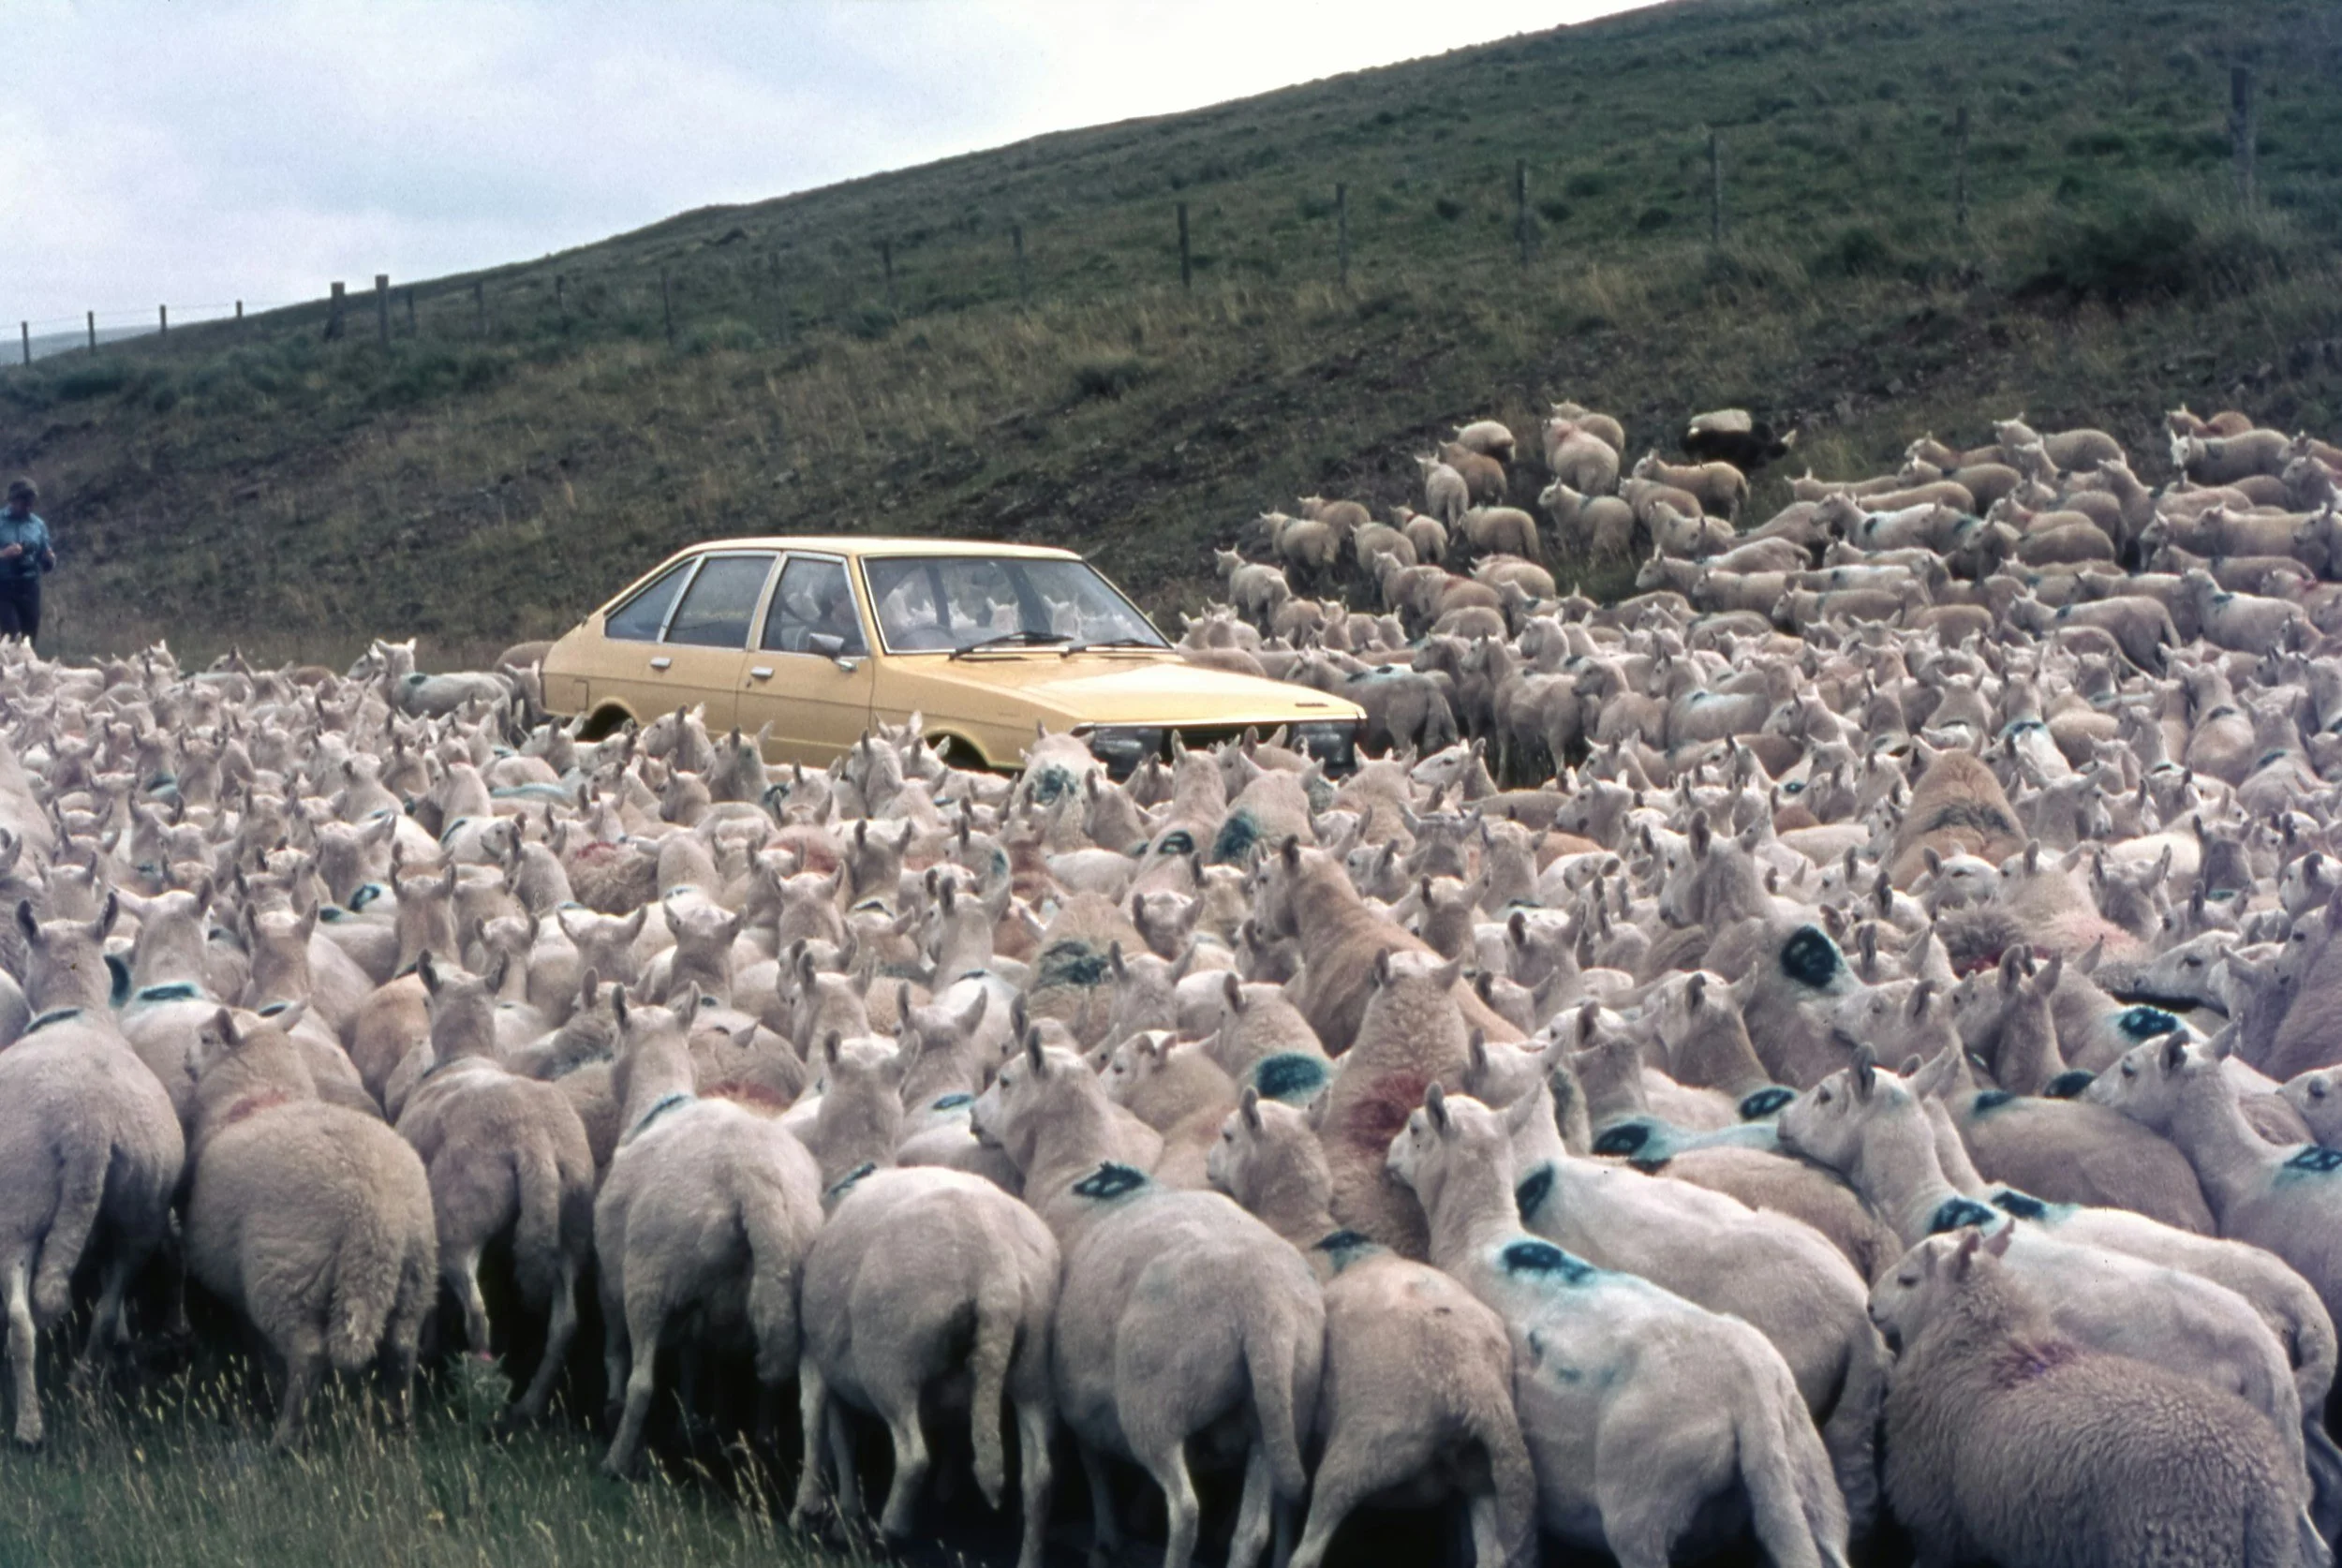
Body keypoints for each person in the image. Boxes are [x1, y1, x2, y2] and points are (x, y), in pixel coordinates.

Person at [0, 479, 56, 646]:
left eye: (31, 503)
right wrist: (4, 553)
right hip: (4, 588)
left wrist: (49, 559)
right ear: (13, 500)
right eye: (24, 502)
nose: (28, 507)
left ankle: (28, 671)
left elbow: (46, 556)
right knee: (12, 638)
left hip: (30, 588)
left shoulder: (38, 525)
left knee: (28, 641)